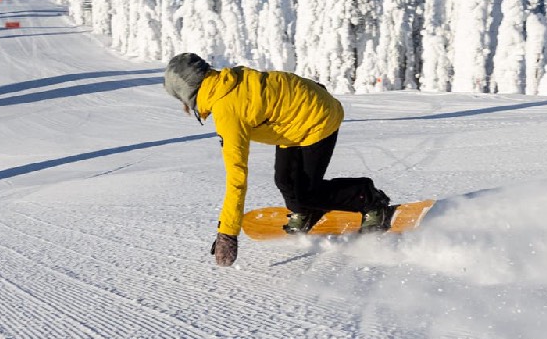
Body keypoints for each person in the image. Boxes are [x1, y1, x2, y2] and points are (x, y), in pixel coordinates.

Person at [163, 52, 391, 267]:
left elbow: (237, 176)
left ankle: (369, 199)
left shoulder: (227, 110)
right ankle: (306, 210)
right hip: (291, 122)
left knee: (308, 192)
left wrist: (227, 233)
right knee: (284, 181)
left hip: (318, 118)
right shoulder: (225, 81)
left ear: (187, 93)